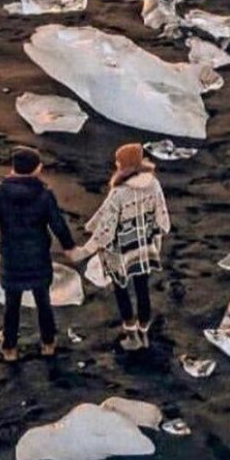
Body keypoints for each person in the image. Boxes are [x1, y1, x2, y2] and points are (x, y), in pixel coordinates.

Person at [0, 147, 74, 362]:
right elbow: (58, 225)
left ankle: (9, 347)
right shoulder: (45, 194)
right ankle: (48, 344)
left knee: (12, 304)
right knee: (43, 301)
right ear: (37, 168)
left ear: (14, 167)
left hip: (12, 255)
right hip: (38, 254)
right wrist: (69, 247)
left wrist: (1, 214)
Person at [70, 142, 171, 350]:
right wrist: (157, 236)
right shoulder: (153, 184)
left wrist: (85, 250)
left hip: (120, 251)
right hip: (144, 247)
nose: (115, 163)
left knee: (121, 289)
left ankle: (131, 332)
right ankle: (144, 332)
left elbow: (106, 228)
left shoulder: (119, 193)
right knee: (143, 288)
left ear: (124, 164)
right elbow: (162, 216)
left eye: (118, 160)